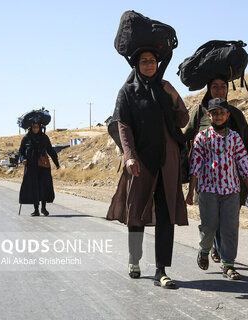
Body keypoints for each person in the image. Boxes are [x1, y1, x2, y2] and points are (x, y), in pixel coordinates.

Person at [106, 50, 189, 289]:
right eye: (144, 61)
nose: (149, 64)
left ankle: (161, 270)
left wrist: (174, 95)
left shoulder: (165, 88)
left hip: (168, 160)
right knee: (136, 210)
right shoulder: (128, 92)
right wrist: (129, 156)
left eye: (153, 60)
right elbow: (123, 125)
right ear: (136, 64)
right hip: (141, 162)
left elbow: (182, 120)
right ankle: (134, 258)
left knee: (166, 214)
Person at [184, 75, 248, 263]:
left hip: (231, 183)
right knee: (211, 223)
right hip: (206, 183)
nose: (219, 90)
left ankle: (227, 261)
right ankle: (210, 247)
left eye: (222, 87)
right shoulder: (198, 114)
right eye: (214, 86)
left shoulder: (235, 116)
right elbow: (185, 140)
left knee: (229, 225)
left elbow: (246, 145)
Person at [19, 122, 60, 216]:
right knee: (34, 187)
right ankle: (36, 210)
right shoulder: (26, 138)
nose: (35, 129)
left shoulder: (44, 137)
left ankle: (43, 208)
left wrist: (56, 163)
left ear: (40, 127)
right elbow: (21, 151)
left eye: (37, 127)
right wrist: (23, 159)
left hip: (43, 166)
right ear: (31, 127)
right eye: (34, 127)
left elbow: (50, 150)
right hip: (31, 166)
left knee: (44, 186)